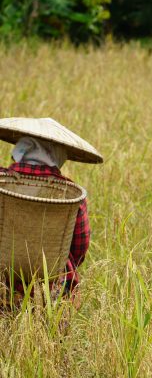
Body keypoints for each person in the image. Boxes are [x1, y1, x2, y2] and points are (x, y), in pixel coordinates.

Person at [0, 117, 103, 302]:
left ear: (20, 150)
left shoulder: (2, 181)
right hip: (52, 288)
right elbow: (80, 247)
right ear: (58, 156)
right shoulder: (69, 193)